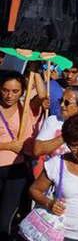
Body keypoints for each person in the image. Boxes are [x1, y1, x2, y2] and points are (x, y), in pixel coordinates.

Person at [0, 72, 37, 239]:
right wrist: (8, 145)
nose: (9, 95)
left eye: (15, 91)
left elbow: (44, 96)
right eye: (5, 90)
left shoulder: (26, 109)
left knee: (6, 219)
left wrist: (35, 72)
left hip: (17, 170)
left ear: (23, 91)